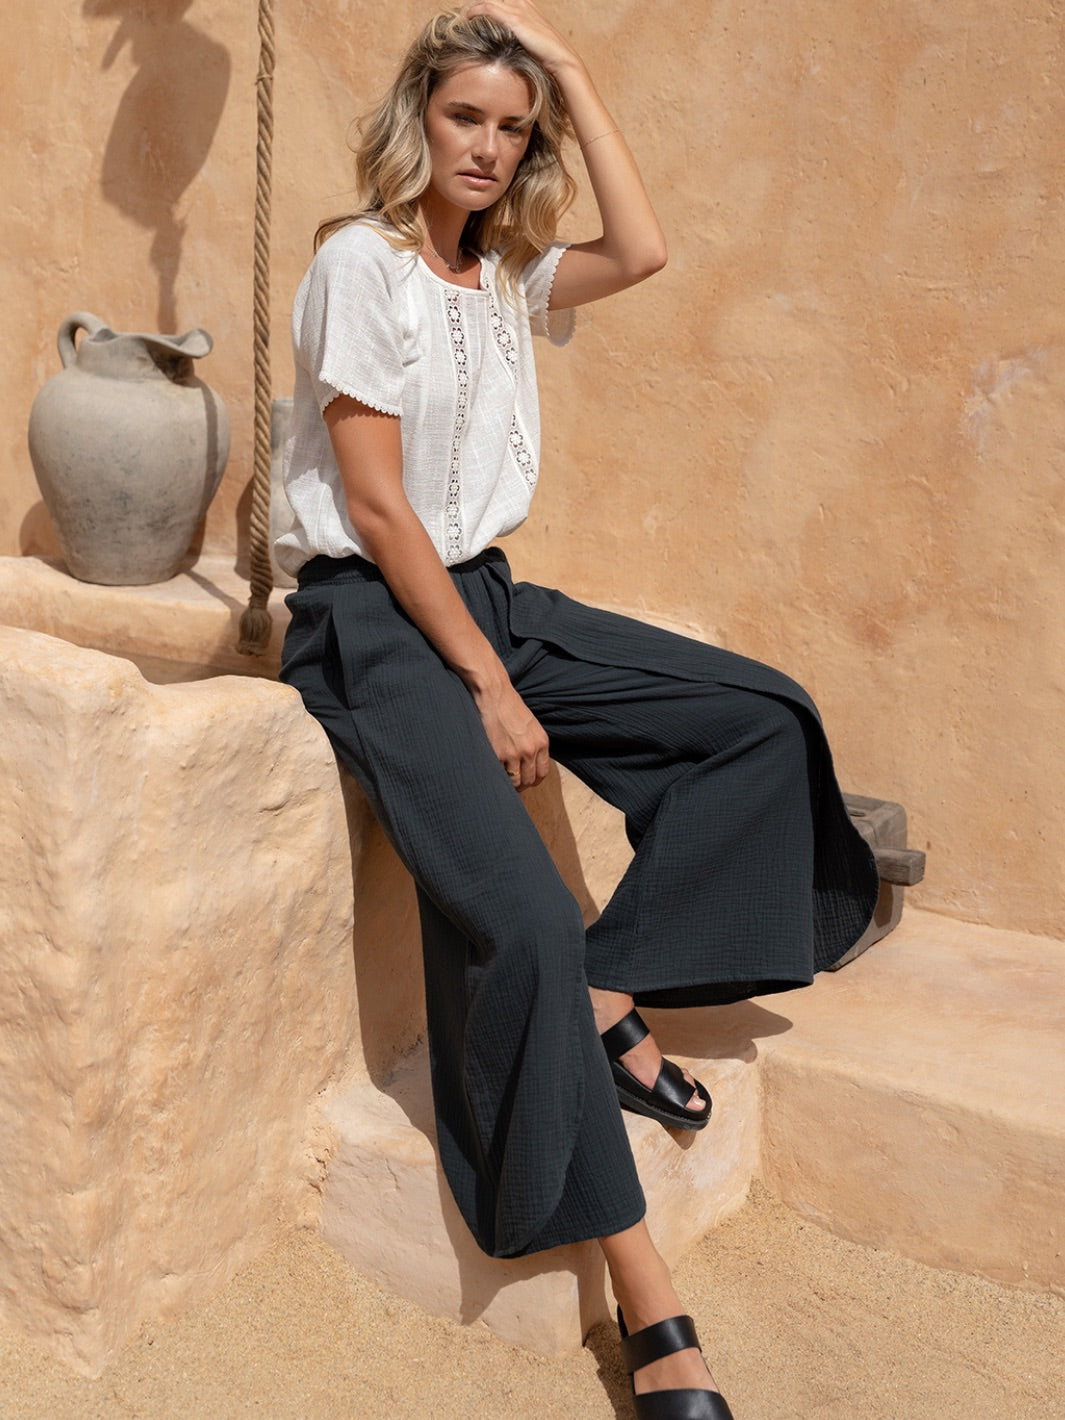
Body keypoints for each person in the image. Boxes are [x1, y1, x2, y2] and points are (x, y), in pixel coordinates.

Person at [276, 4, 879, 1415]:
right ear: (415, 121)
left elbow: (646, 249)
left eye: (511, 125)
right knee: (525, 917)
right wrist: (484, 688)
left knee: (756, 718)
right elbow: (371, 505)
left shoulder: (502, 277)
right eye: (464, 118)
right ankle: (647, 1292)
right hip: (374, 619)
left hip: (485, 590)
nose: (486, 147)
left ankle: (613, 992)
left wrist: (580, 79)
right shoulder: (357, 265)